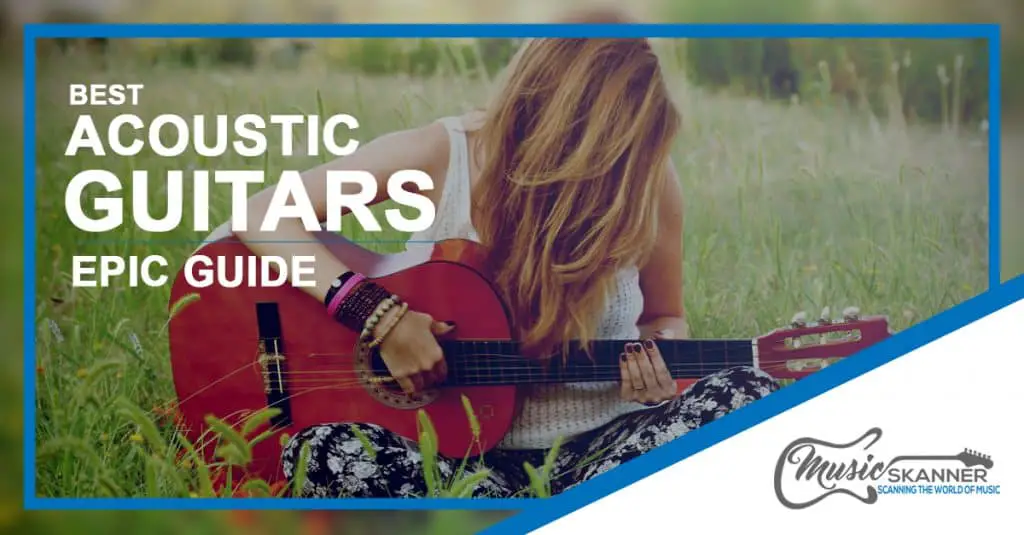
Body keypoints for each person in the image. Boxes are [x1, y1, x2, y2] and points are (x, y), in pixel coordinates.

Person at [235, 33, 779, 498]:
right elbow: (261, 213)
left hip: (606, 454)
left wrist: (660, 366)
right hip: (449, 462)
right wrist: (376, 314)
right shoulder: (441, 154)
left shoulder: (646, 179)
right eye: (608, 149)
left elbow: (665, 317)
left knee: (749, 397)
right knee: (323, 450)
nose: (618, 167)